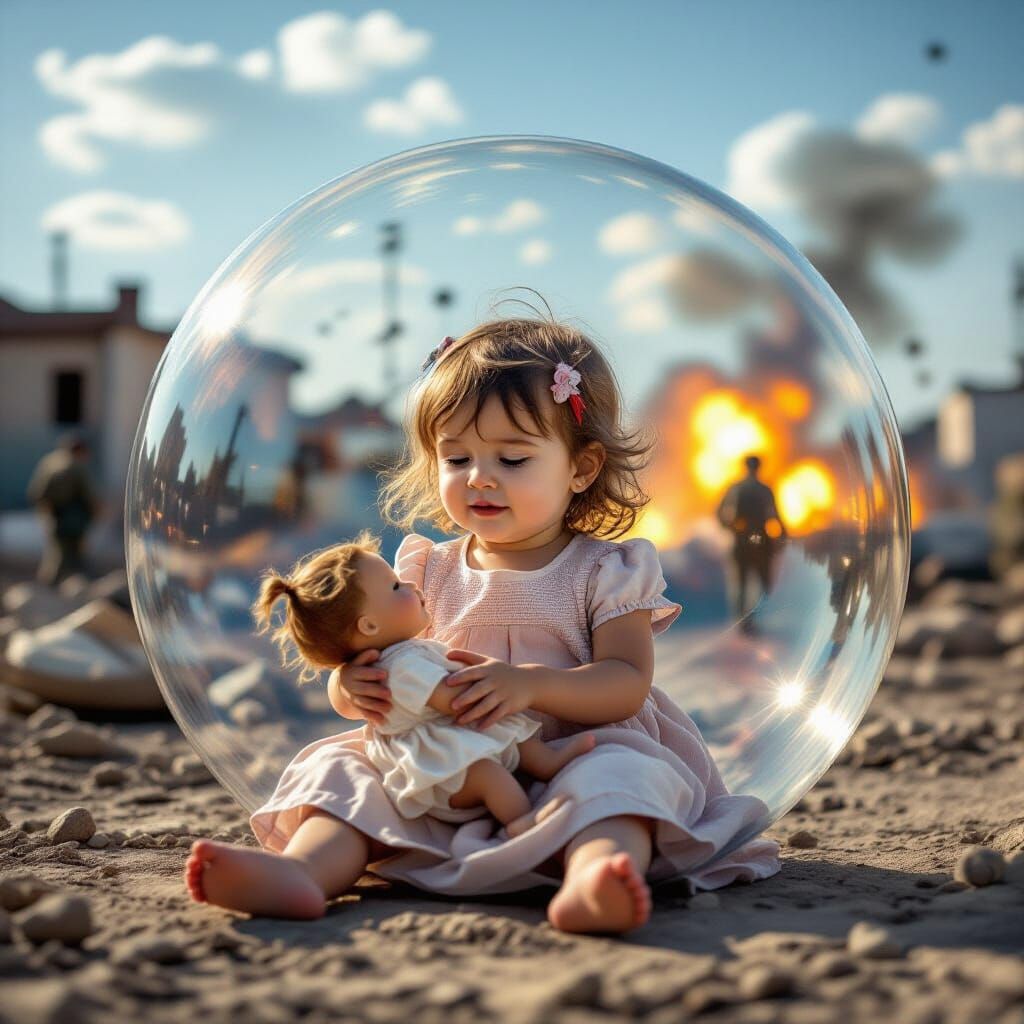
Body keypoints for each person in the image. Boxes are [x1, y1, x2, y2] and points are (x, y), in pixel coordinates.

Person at [186, 317, 780, 934]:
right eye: (457, 457)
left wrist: (529, 686)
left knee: (624, 781)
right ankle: (305, 873)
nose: (480, 477)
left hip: (568, 754)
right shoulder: (425, 570)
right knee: (344, 771)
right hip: (448, 766)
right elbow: (369, 657)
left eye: (513, 457)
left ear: (581, 468)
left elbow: (627, 682)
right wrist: (350, 689)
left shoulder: (607, 568)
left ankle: (595, 875)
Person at [250, 532, 593, 836]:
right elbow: (451, 701)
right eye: (396, 587)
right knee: (492, 777)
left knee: (516, 737)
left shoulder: (406, 653)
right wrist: (490, 684)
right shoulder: (401, 666)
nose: (412, 585)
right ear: (369, 626)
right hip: (442, 765)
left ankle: (546, 761)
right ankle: (521, 822)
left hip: (454, 738)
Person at [716, 455, 787, 625]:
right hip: (758, 540)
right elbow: (776, 517)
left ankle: (748, 620)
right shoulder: (763, 489)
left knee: (746, 582)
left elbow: (720, 514)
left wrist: (732, 528)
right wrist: (782, 536)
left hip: (746, 540)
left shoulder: (738, 488)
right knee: (755, 582)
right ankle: (750, 620)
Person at [27, 434, 97, 585]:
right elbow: (89, 496)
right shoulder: (75, 466)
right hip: (72, 519)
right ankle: (66, 586)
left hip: (53, 516)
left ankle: (50, 584)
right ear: (80, 451)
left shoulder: (50, 462)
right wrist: (96, 512)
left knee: (56, 551)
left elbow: (36, 493)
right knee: (71, 555)